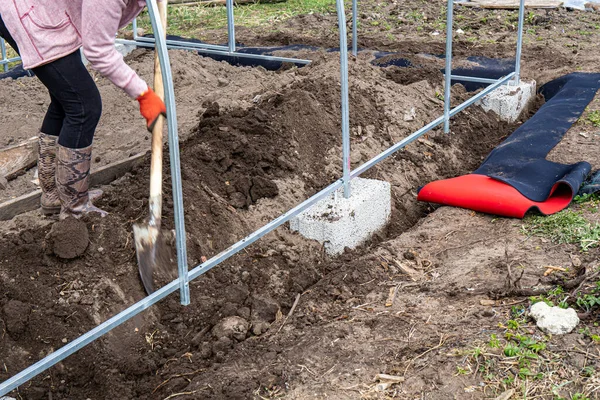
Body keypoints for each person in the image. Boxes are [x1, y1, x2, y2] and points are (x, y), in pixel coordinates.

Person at [0, 1, 167, 219]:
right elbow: (98, 52)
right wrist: (143, 94)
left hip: (44, 10)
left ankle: (53, 195)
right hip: (28, 12)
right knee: (84, 106)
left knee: (65, 99)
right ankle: (75, 209)